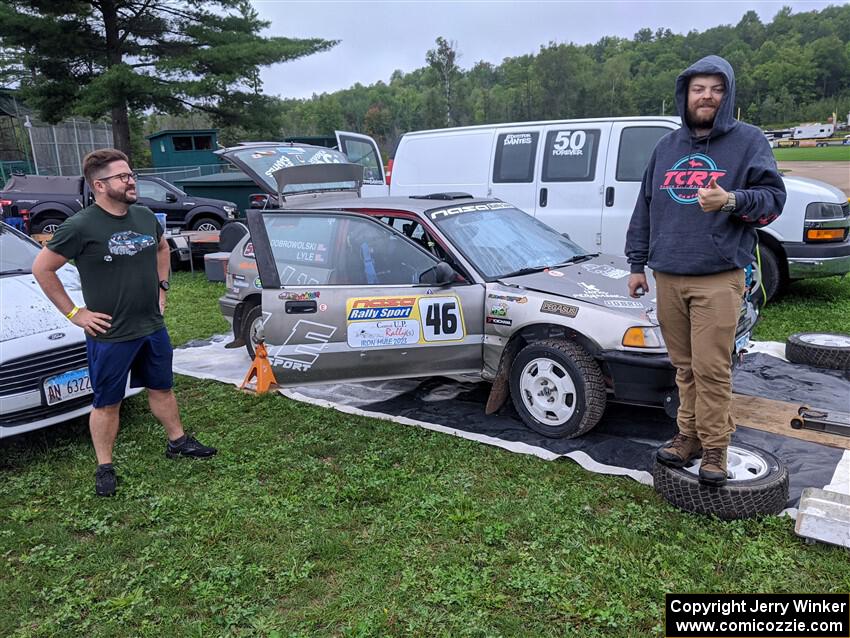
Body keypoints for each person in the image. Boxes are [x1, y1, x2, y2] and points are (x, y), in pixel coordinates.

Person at [624, 55, 786, 486]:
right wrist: (637, 264)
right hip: (668, 276)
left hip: (717, 276)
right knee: (683, 366)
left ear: (727, 94)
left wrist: (731, 200)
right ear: (686, 94)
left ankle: (716, 447)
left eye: (716, 89)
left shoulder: (748, 142)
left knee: (711, 367)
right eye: (699, 89)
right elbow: (645, 208)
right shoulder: (667, 147)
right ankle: (687, 435)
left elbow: (773, 199)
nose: (707, 96)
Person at [33, 149, 216, 497]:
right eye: (122, 176)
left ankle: (177, 442)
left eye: (131, 174)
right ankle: (105, 466)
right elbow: (42, 269)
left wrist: (163, 287)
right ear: (100, 185)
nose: (131, 180)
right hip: (111, 335)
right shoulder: (80, 225)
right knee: (108, 402)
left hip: (151, 325)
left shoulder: (145, 216)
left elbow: (162, 249)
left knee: (162, 387)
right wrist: (76, 314)